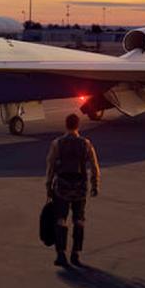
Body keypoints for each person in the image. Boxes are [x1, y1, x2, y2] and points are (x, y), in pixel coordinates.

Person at [45, 113, 101, 267]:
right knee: (79, 220)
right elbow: (95, 166)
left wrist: (48, 186)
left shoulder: (57, 143)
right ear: (78, 125)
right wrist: (95, 184)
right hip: (80, 188)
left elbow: (50, 166)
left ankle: (61, 254)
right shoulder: (86, 143)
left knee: (61, 219)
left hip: (62, 187)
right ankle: (76, 253)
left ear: (66, 125)